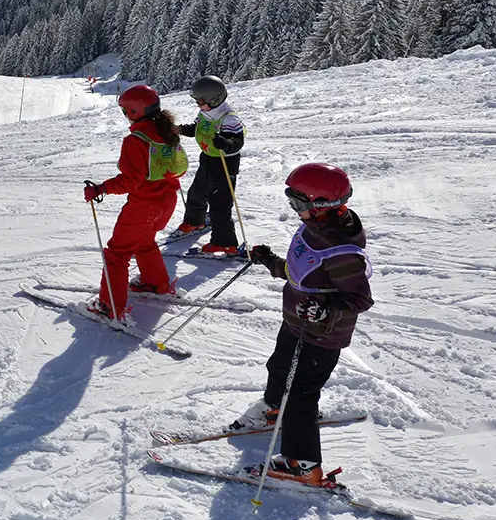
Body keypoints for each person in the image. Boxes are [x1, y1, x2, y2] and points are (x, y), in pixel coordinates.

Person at [234, 163, 375, 485]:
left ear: (320, 206)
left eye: (299, 204)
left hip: (321, 336)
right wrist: (269, 260)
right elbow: (302, 270)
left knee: (301, 394)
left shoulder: (343, 254)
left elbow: (360, 299)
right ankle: (274, 409)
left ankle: (302, 464)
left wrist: (326, 311)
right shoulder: (315, 229)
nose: (295, 210)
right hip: (296, 323)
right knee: (279, 367)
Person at [83, 85, 189, 319]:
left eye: (125, 112)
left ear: (135, 111)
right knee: (144, 242)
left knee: (117, 254)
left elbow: (131, 181)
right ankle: (155, 284)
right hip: (166, 202)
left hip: (144, 206)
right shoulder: (167, 132)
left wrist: (101, 189)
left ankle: (110, 306)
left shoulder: (135, 140)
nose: (124, 116)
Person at [175, 76, 247, 256]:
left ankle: (225, 243)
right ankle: (195, 221)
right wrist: (179, 130)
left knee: (219, 205)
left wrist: (226, 143)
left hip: (224, 164)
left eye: (200, 101)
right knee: (196, 193)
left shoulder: (229, 118)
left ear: (214, 100)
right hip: (207, 159)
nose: (197, 105)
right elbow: (197, 129)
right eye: (196, 101)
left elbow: (236, 141)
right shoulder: (206, 113)